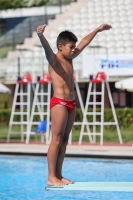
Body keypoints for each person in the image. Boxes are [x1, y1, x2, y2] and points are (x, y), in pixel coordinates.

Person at [36, 23, 112, 186]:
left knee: (64, 140)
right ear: (60, 46)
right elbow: (47, 49)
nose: (73, 50)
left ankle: (59, 175)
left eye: (74, 47)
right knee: (56, 139)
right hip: (59, 103)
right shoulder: (54, 60)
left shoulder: (70, 56)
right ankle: (51, 177)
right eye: (71, 47)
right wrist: (41, 36)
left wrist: (97, 30)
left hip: (71, 103)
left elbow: (84, 41)